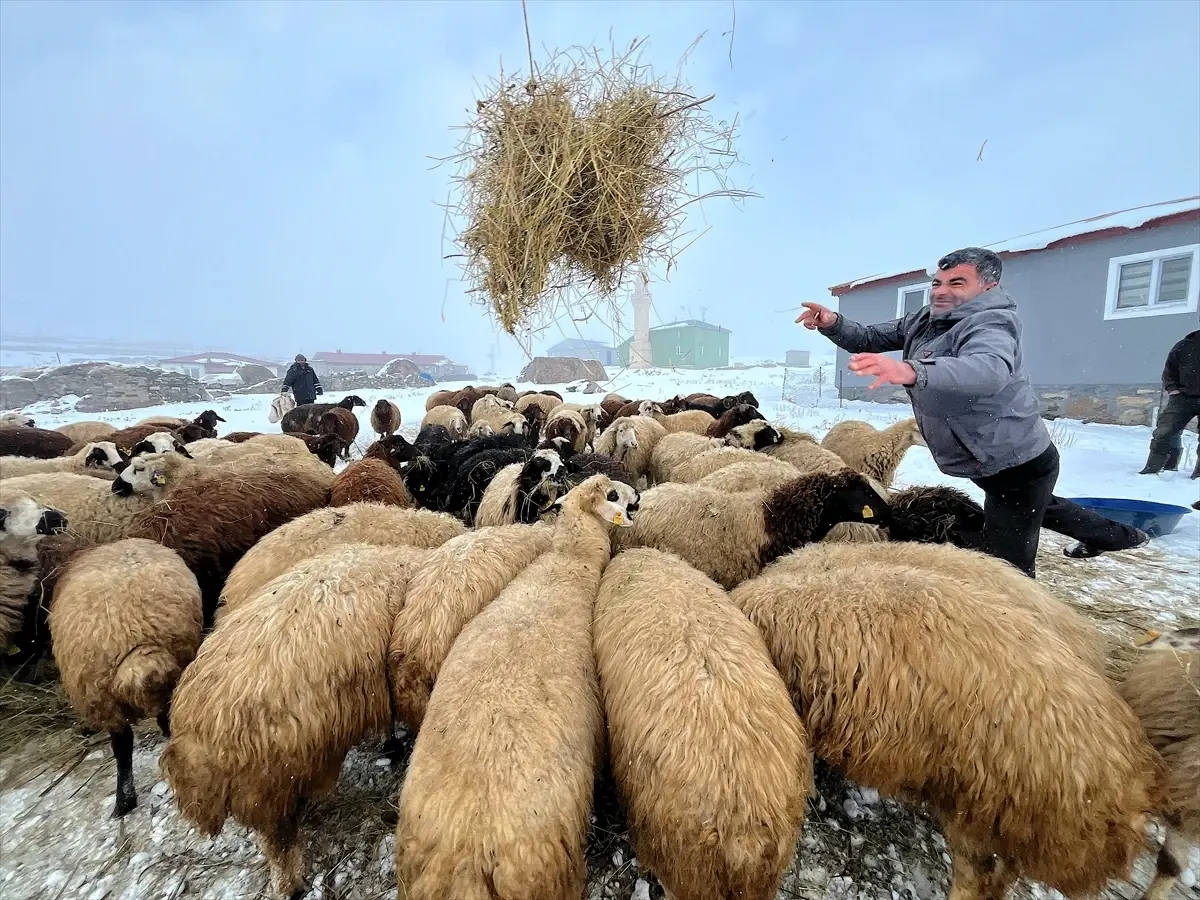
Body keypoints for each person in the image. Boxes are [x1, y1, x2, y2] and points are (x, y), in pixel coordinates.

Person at [798, 246, 1147, 577]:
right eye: (937, 282)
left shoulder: (991, 324)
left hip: (1016, 459)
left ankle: (1020, 622)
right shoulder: (926, 319)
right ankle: (1118, 537)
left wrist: (914, 371)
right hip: (983, 454)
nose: (941, 290)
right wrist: (832, 323)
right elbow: (870, 338)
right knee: (1038, 507)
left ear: (988, 286)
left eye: (957, 282)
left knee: (1007, 565)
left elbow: (987, 369)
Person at [1140, 329, 1199, 478]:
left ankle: (1198, 476)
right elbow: (1169, 370)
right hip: (1182, 397)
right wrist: (1172, 389)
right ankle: (1155, 468)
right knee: (1163, 432)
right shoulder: (1185, 345)